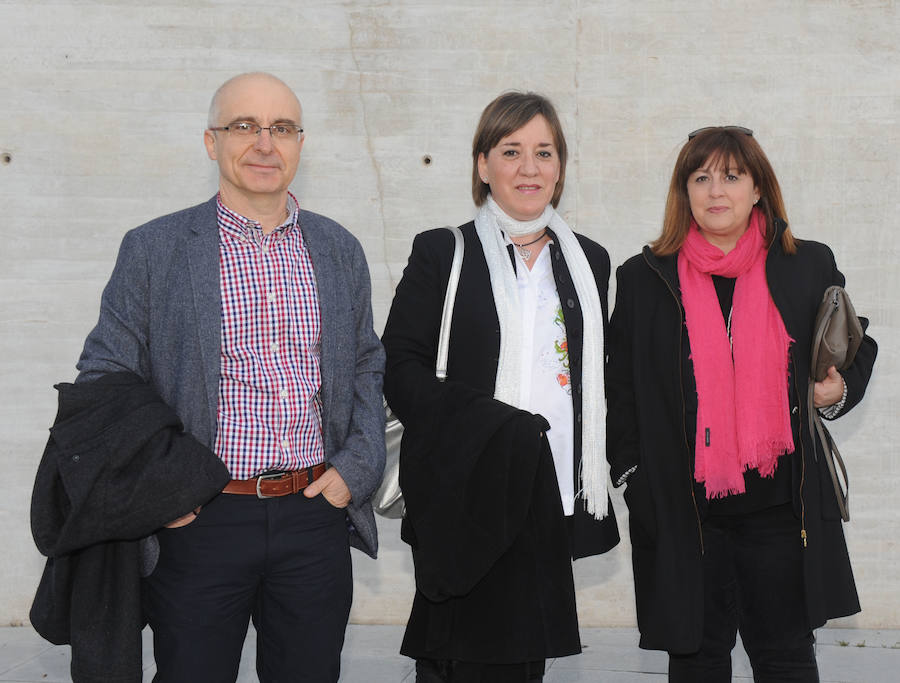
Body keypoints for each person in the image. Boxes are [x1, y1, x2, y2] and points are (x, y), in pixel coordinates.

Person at [75, 72, 386, 682]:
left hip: (314, 512)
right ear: (212, 141)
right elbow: (104, 377)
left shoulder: (337, 248)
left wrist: (356, 469)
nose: (265, 143)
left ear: (301, 142)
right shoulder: (155, 248)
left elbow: (366, 364)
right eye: (244, 126)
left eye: (282, 128)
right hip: (201, 521)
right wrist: (164, 491)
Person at [606, 126, 878, 681]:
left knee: (784, 660)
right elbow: (620, 386)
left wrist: (839, 389)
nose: (715, 191)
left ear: (758, 188)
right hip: (686, 513)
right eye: (700, 178)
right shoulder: (645, 277)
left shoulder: (805, 264)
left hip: (781, 509)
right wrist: (633, 473)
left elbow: (857, 342)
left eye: (731, 176)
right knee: (697, 662)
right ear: (684, 192)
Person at [382, 91, 620, 682]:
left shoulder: (590, 261)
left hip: (550, 495)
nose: (529, 168)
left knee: (520, 664)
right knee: (453, 661)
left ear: (561, 167)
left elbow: (596, 376)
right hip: (464, 492)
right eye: (511, 151)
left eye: (544, 152)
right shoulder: (444, 252)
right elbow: (398, 368)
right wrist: (494, 430)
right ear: (482, 164)